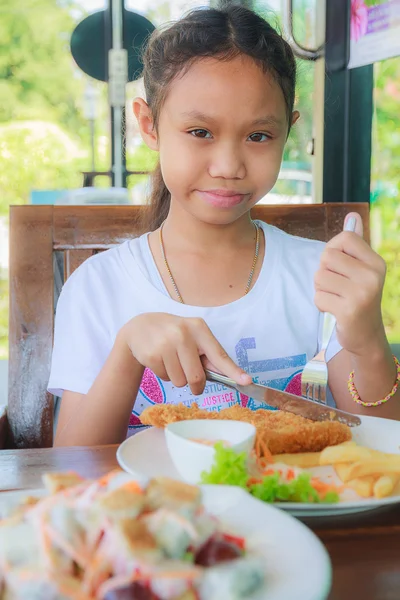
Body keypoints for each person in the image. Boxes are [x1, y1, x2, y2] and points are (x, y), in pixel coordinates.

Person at [49, 5, 400, 447]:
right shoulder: (98, 288)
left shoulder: (322, 278)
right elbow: (72, 465)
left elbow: (385, 446)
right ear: (149, 124)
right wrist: (127, 352)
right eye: (200, 132)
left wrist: (368, 340)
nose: (228, 166)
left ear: (287, 132)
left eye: (258, 136)